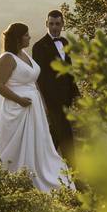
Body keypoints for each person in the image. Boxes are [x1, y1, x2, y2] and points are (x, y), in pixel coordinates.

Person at [0, 22, 73, 192]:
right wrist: (19, 100)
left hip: (33, 108)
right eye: (26, 35)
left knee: (37, 145)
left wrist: (43, 105)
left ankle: (39, 174)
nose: (29, 37)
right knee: (15, 147)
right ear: (18, 38)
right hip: (15, 109)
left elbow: (34, 81)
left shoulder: (24, 54)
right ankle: (15, 178)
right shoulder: (7, 57)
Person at [31, 9, 79, 161]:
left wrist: (76, 95)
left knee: (55, 136)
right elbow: (39, 78)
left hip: (66, 100)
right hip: (51, 101)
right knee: (67, 137)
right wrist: (44, 102)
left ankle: (44, 167)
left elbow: (69, 71)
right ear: (46, 24)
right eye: (51, 24)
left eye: (57, 24)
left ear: (62, 24)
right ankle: (74, 176)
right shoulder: (38, 47)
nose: (54, 27)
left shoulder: (65, 42)